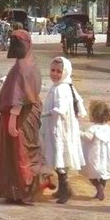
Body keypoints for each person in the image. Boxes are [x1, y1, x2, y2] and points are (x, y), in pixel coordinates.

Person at [0, 30, 43, 205]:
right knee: (14, 154)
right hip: (23, 114)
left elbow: (20, 95)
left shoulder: (23, 67)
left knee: (21, 153)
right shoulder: (29, 63)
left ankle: (25, 191)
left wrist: (13, 119)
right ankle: (13, 191)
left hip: (20, 116)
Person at [40, 56, 87, 204]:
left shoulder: (61, 88)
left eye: (58, 71)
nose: (54, 74)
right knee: (58, 156)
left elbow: (60, 109)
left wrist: (43, 114)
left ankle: (65, 188)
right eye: (52, 70)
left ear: (65, 72)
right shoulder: (63, 86)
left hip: (59, 128)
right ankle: (62, 188)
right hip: (57, 126)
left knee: (59, 156)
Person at [81, 101, 110, 202]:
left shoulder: (93, 128)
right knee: (104, 175)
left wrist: (78, 133)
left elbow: (87, 137)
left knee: (92, 175)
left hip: (95, 156)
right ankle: (101, 187)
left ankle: (98, 187)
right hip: (106, 159)